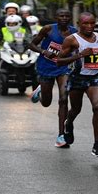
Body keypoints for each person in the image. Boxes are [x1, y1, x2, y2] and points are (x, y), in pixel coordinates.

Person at [56, 12, 98, 157]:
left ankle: (97, 145)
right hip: (77, 78)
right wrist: (80, 55)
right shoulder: (71, 40)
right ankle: (68, 123)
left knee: (97, 107)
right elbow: (59, 61)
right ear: (79, 24)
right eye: (86, 23)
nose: (89, 26)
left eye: (92, 23)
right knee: (76, 109)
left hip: (95, 77)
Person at [28, 9, 77, 148]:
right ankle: (40, 92)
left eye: (67, 15)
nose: (64, 18)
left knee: (63, 98)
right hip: (46, 67)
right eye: (61, 15)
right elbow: (31, 45)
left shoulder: (74, 33)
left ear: (70, 18)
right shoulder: (48, 29)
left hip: (64, 68)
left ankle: (61, 135)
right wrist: (43, 51)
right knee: (46, 103)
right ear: (56, 17)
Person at [0, 2, 30, 75]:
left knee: (34, 53)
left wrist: (29, 40)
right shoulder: (1, 20)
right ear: (6, 12)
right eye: (9, 11)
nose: (11, 12)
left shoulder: (23, 19)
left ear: (17, 11)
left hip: (20, 44)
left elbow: (28, 31)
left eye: (13, 11)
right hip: (4, 43)